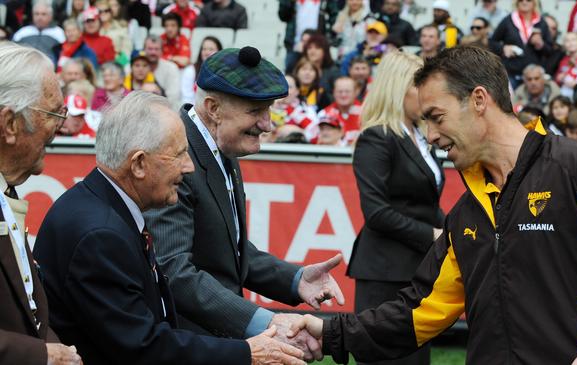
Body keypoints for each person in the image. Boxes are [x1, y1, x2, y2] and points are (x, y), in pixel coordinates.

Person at [289, 45, 577, 365]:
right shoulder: (467, 212)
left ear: (479, 100)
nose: (430, 135)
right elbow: (417, 311)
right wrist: (331, 333)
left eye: (437, 117)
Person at [33, 91, 307, 365]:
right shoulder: (100, 235)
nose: (189, 167)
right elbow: (142, 346)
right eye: (178, 155)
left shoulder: (102, 209)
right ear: (139, 164)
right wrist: (247, 353)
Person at [142, 47, 345, 361]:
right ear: (213, 108)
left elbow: (229, 250)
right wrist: (266, 321)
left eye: (268, 110)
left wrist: (295, 280)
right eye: (255, 111)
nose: (267, 124)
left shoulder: (220, 146)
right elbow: (174, 271)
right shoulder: (177, 157)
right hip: (190, 346)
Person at [347, 51, 445, 365]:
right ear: (399, 87)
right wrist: (433, 234)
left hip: (417, 269)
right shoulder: (376, 138)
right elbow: (376, 213)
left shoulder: (421, 137)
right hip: (384, 272)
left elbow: (426, 205)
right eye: (422, 85)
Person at [0, 42, 82, 365]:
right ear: (10, 125)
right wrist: (41, 355)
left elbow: (28, 312)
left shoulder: (8, 192)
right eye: (53, 114)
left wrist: (59, 352)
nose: (59, 127)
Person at [490, 0, 553, 89]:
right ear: (516, 3)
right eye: (520, 0)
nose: (524, 2)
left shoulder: (541, 22)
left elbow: (550, 50)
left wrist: (540, 44)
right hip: (511, 73)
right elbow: (492, 42)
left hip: (533, 77)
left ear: (534, 3)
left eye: (528, 0)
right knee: (510, 101)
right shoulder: (508, 20)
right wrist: (503, 48)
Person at [278, 0, 339, 74]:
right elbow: (283, 16)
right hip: (296, 44)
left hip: (318, 44)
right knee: (291, 71)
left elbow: (334, 16)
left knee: (320, 72)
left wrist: (328, 37)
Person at [315, 76, 361, 145]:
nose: (343, 95)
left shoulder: (365, 113)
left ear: (355, 92)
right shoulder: (324, 114)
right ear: (333, 92)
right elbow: (317, 141)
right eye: (340, 91)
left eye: (347, 91)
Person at [181, 36, 222, 104]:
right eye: (204, 49)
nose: (207, 52)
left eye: (211, 49)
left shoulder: (225, 72)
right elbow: (186, 98)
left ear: (220, 52)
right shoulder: (190, 70)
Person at [144, 35, 181, 109]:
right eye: (150, 49)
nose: (153, 52)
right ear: (144, 50)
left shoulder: (171, 68)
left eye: (156, 49)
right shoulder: (135, 67)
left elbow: (173, 98)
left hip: (165, 110)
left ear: (161, 51)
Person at [97, 0, 131, 67]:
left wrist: (119, 65)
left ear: (111, 12)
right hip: (98, 65)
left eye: (106, 10)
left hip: (117, 64)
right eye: (100, 11)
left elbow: (127, 50)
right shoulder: (93, 29)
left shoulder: (121, 28)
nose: (103, 13)